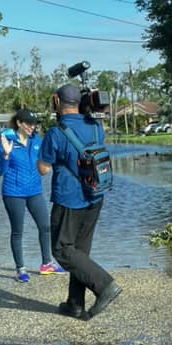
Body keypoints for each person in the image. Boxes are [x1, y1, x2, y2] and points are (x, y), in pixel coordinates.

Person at [38, 83, 121, 321]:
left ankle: (105, 285)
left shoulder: (56, 133)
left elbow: (43, 169)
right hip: (95, 196)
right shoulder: (96, 128)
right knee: (80, 252)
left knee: (62, 250)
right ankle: (75, 305)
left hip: (69, 200)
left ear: (57, 101)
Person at [0, 108, 66, 283]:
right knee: (18, 231)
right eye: (28, 124)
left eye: (33, 124)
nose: (32, 127)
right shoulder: (6, 140)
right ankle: (21, 269)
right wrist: (5, 154)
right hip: (13, 193)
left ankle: (47, 264)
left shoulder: (36, 141)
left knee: (45, 227)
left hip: (35, 191)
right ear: (19, 123)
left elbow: (45, 162)